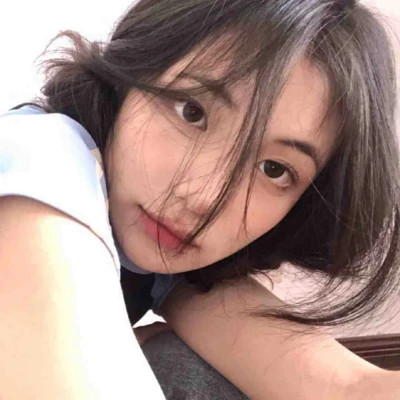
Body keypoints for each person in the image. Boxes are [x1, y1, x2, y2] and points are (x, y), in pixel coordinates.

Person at [1, 0, 400, 399]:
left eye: (274, 169)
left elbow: (348, 389)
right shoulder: (40, 157)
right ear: (135, 71)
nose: (203, 199)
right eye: (192, 112)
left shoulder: (162, 254)